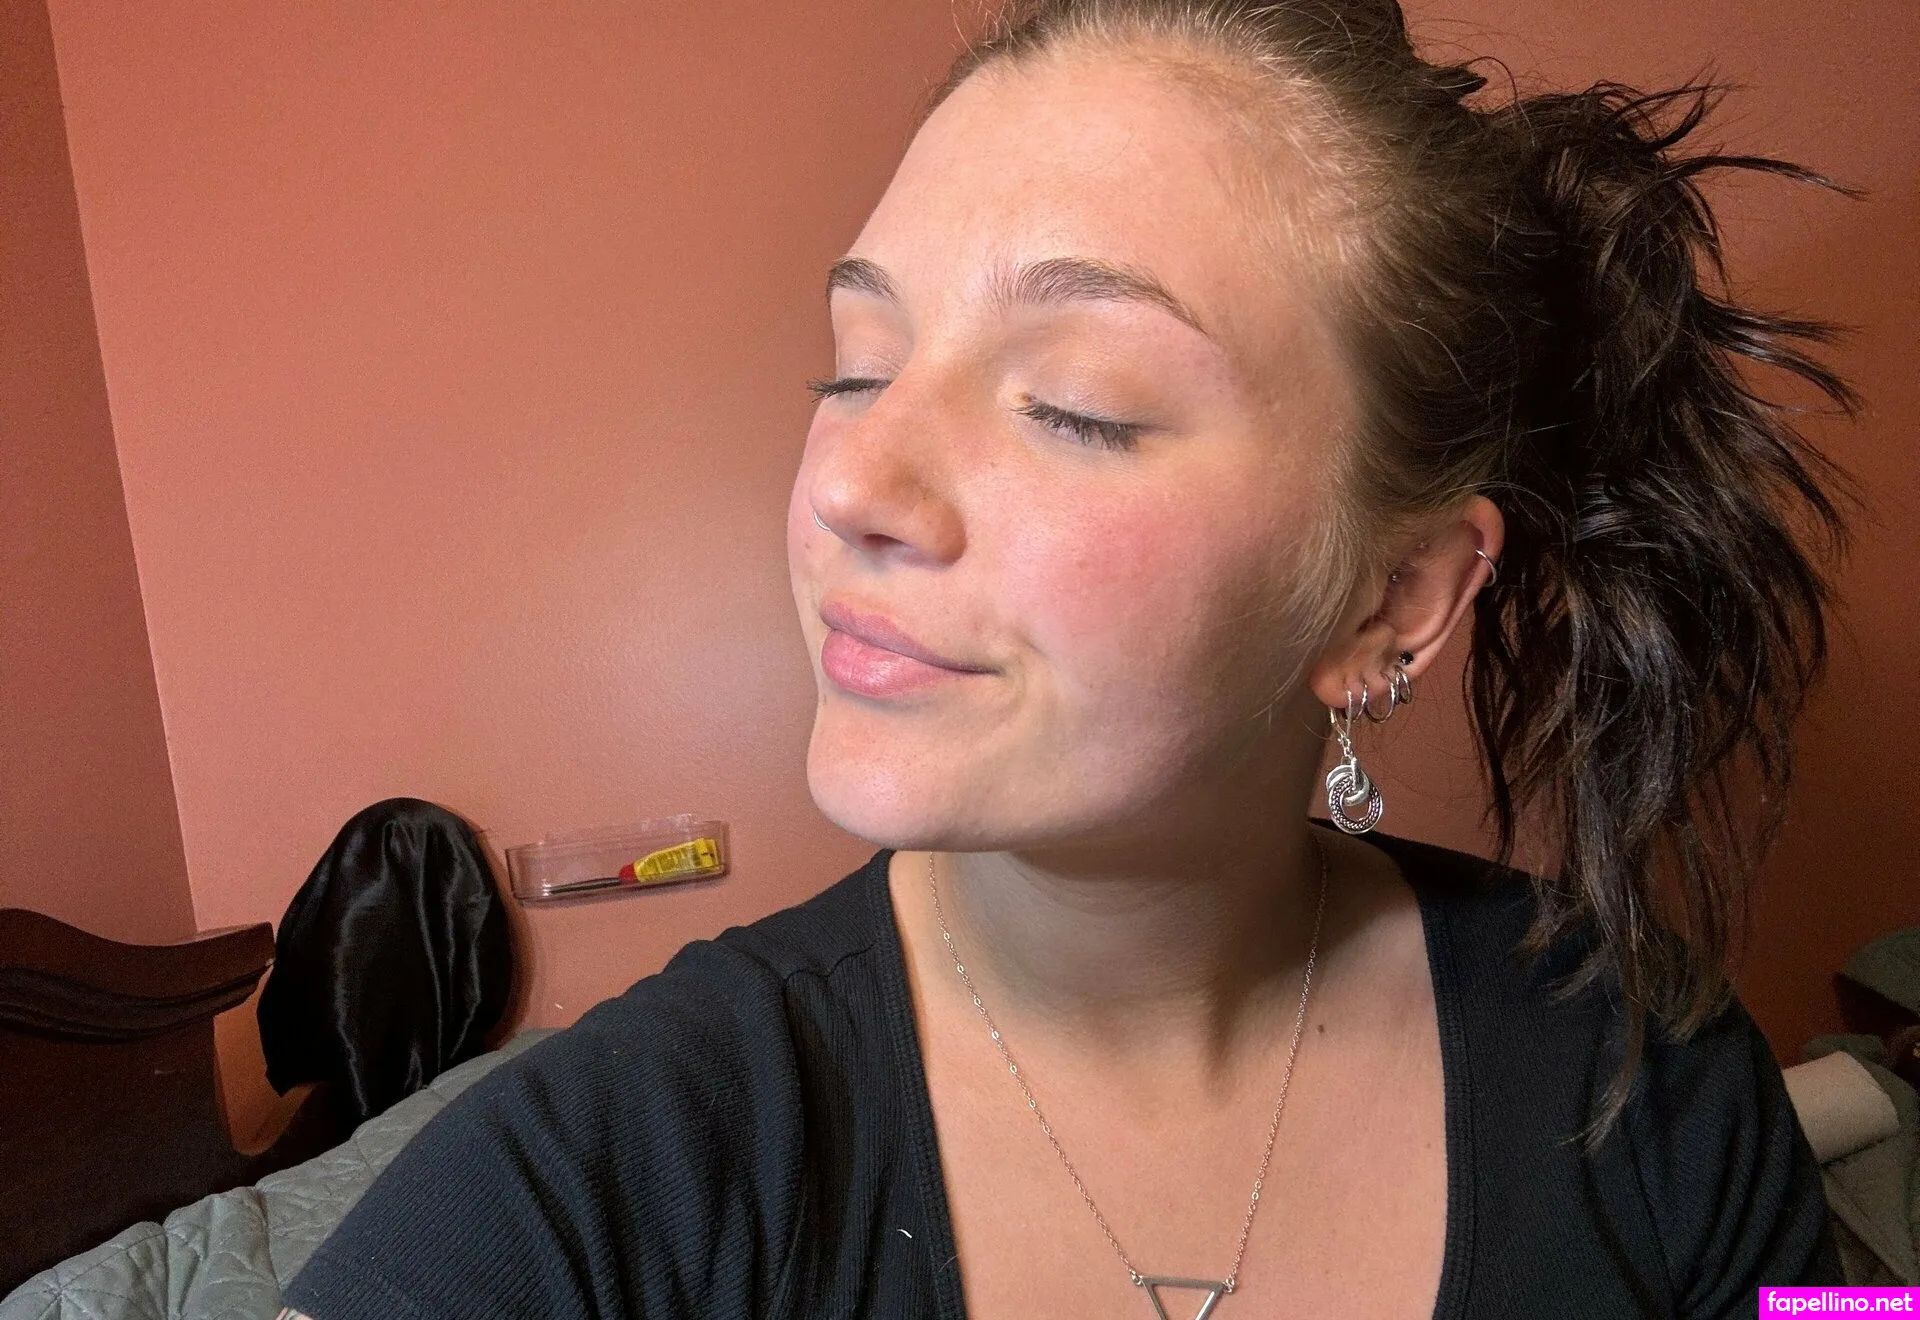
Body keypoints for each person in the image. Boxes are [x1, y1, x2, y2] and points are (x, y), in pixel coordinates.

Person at [279, 0, 1861, 1315]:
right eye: (856, 368)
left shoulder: (1654, 1065)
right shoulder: (603, 1168)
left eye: (1074, 406)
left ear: (1391, 600)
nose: (850, 483)